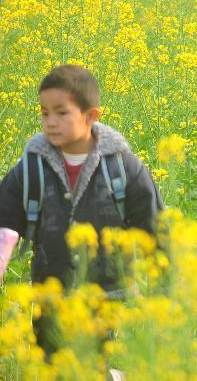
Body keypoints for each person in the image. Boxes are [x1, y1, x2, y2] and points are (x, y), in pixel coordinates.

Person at [0, 64, 163, 359]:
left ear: (91, 116)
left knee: (92, 366)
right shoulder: (31, 168)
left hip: (104, 297)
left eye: (62, 113)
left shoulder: (122, 168)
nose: (50, 121)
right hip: (50, 292)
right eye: (45, 112)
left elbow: (156, 229)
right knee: (51, 367)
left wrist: (166, 291)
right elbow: (5, 221)